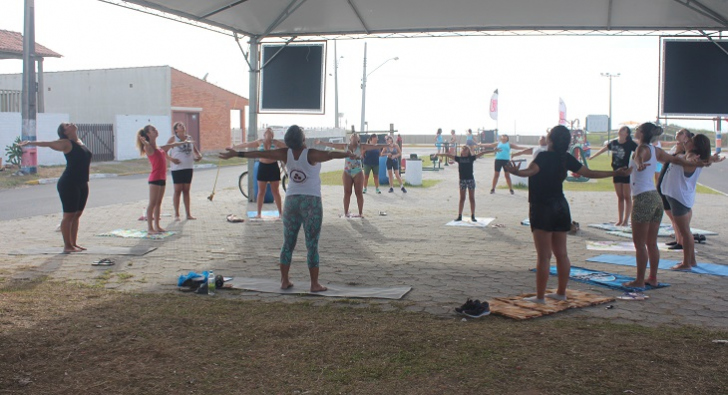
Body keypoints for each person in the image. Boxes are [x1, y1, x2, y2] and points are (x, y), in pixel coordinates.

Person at [219, 125, 357, 292]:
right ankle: (314, 284)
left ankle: (284, 280)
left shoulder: (285, 153)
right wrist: (346, 154)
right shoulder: (311, 153)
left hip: (291, 201)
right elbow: (329, 155)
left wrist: (237, 153)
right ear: (303, 139)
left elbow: (261, 153)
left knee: (288, 243)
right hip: (311, 203)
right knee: (312, 244)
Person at [504, 125, 629, 303]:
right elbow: (590, 173)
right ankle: (561, 293)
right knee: (561, 254)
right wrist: (615, 173)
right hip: (561, 207)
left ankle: (540, 297)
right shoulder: (565, 158)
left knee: (544, 256)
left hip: (542, 207)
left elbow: (531, 171)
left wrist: (516, 172)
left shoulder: (544, 156)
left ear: (551, 140)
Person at [18, 123, 92, 253]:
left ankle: (74, 243)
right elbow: (48, 143)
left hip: (82, 182)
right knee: (69, 216)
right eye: (67, 125)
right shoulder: (66, 143)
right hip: (69, 183)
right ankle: (67, 246)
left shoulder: (79, 142)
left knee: (77, 215)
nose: (71, 124)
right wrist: (30, 142)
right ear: (65, 132)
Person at [658, 131, 723, 270]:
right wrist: (710, 159)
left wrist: (692, 157)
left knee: (685, 233)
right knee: (685, 232)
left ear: (695, 146)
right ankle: (691, 261)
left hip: (679, 199)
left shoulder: (691, 157)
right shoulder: (696, 158)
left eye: (690, 140)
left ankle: (686, 263)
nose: (687, 141)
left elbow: (689, 157)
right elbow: (694, 157)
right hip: (681, 197)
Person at [622, 123, 666, 289]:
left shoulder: (641, 148)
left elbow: (639, 157)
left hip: (643, 199)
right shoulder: (655, 150)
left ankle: (639, 281)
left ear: (642, 133)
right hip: (655, 198)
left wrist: (639, 163)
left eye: (638, 129)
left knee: (640, 244)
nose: (635, 131)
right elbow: (673, 159)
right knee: (651, 243)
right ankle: (652, 278)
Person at [316, 134, 385, 217]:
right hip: (347, 172)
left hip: (358, 172)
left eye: (356, 137)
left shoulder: (361, 146)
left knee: (359, 193)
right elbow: (333, 145)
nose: (355, 137)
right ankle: (346, 212)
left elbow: (375, 146)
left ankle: (360, 213)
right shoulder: (345, 146)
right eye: (353, 136)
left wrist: (389, 145)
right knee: (347, 192)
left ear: (358, 139)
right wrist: (321, 142)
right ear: (350, 139)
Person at [137, 125, 189, 234]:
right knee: (152, 203)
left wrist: (184, 142)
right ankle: (150, 228)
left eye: (156, 129)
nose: (156, 131)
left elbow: (171, 145)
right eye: (153, 130)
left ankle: (157, 225)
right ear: (148, 134)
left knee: (158, 203)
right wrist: (145, 142)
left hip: (162, 178)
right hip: (154, 179)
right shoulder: (149, 147)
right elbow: (148, 146)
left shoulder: (159, 148)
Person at [588, 126, 638, 226]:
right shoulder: (614, 142)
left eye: (623, 129)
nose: (620, 130)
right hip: (616, 171)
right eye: (621, 129)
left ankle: (626, 220)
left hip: (625, 172)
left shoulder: (630, 144)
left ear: (627, 134)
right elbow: (604, 149)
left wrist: (632, 167)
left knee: (627, 196)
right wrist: (592, 156)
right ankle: (620, 219)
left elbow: (638, 154)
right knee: (620, 197)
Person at [233, 127, 287, 218]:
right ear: (264, 134)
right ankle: (259, 213)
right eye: (266, 131)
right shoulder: (259, 142)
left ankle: (280, 213)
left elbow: (287, 146)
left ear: (272, 135)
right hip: (263, 167)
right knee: (261, 191)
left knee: (276, 191)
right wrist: (235, 147)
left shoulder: (276, 142)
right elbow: (247, 144)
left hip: (273, 167)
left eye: (270, 131)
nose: (268, 132)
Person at [438, 145, 496, 222]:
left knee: (471, 198)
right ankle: (459, 215)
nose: (464, 152)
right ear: (461, 152)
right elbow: (447, 155)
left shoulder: (471, 158)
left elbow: (482, 153)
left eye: (466, 151)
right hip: (462, 180)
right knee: (462, 198)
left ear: (468, 152)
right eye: (463, 151)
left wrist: (493, 151)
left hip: (470, 180)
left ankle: (473, 215)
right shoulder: (459, 159)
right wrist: (438, 154)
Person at [656, 129, 693, 250]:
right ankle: (678, 239)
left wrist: (676, 154)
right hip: (666, 183)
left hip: (676, 189)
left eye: (681, 133)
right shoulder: (676, 148)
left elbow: (676, 161)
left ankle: (682, 242)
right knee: (671, 215)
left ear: (686, 137)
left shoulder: (686, 151)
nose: (677, 133)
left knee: (676, 217)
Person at [166, 122, 202, 220]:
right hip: (177, 168)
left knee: (186, 190)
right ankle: (177, 214)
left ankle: (188, 214)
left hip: (188, 167)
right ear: (176, 130)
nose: (182, 126)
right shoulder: (173, 139)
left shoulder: (189, 138)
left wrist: (199, 156)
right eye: (179, 126)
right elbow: (163, 151)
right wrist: (171, 159)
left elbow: (196, 151)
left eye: (183, 125)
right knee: (177, 190)